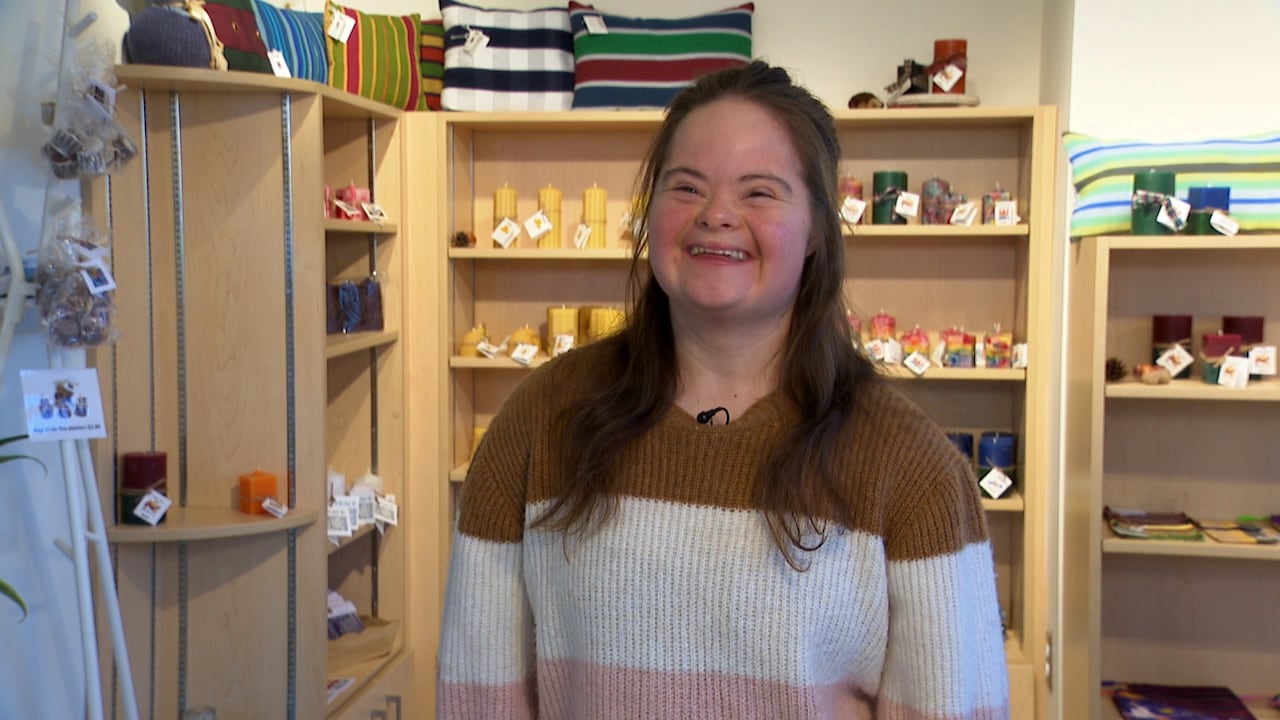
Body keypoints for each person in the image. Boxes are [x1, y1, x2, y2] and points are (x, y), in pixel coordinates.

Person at [438, 60, 1010, 719]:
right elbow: (476, 697)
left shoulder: (910, 469)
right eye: (686, 187)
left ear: (818, 229)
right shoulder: (539, 424)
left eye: (759, 192)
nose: (716, 215)